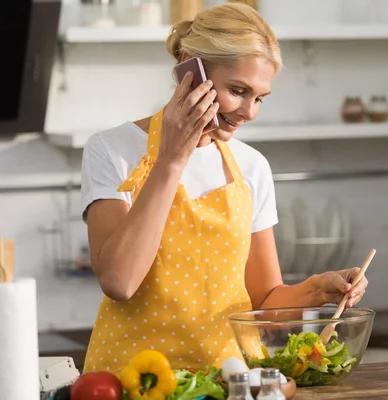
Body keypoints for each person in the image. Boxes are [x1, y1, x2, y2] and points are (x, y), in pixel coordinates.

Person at [80, 2, 368, 373]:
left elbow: (262, 298)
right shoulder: (112, 150)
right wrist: (172, 158)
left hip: (231, 379)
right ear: (190, 69)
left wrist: (316, 291)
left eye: (260, 97)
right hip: (136, 380)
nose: (250, 112)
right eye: (238, 90)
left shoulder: (251, 167)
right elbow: (119, 281)